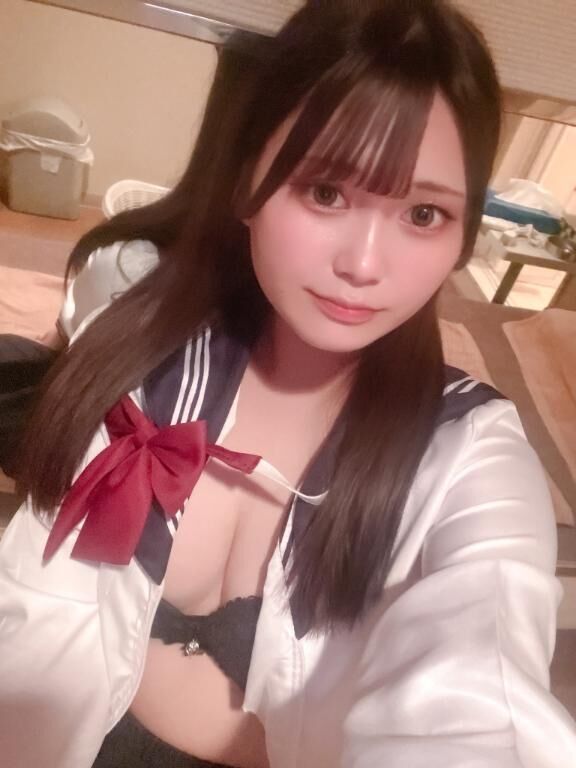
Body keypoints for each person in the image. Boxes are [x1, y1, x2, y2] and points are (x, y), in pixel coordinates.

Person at [1, 1, 575, 766]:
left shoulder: (469, 456)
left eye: (423, 213)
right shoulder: (142, 361)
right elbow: (33, 622)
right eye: (326, 192)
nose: (363, 265)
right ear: (248, 183)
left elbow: (481, 689)